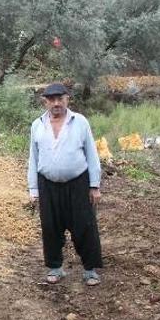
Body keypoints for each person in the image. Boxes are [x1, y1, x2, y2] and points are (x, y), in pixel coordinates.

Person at [27, 83, 103, 286]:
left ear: (67, 99)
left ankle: (90, 270)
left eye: (60, 98)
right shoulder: (37, 125)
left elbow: (92, 154)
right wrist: (33, 189)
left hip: (78, 183)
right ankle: (55, 268)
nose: (56, 103)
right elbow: (33, 158)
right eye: (51, 99)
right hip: (47, 184)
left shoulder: (80, 122)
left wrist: (94, 185)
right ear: (45, 102)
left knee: (84, 225)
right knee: (51, 227)